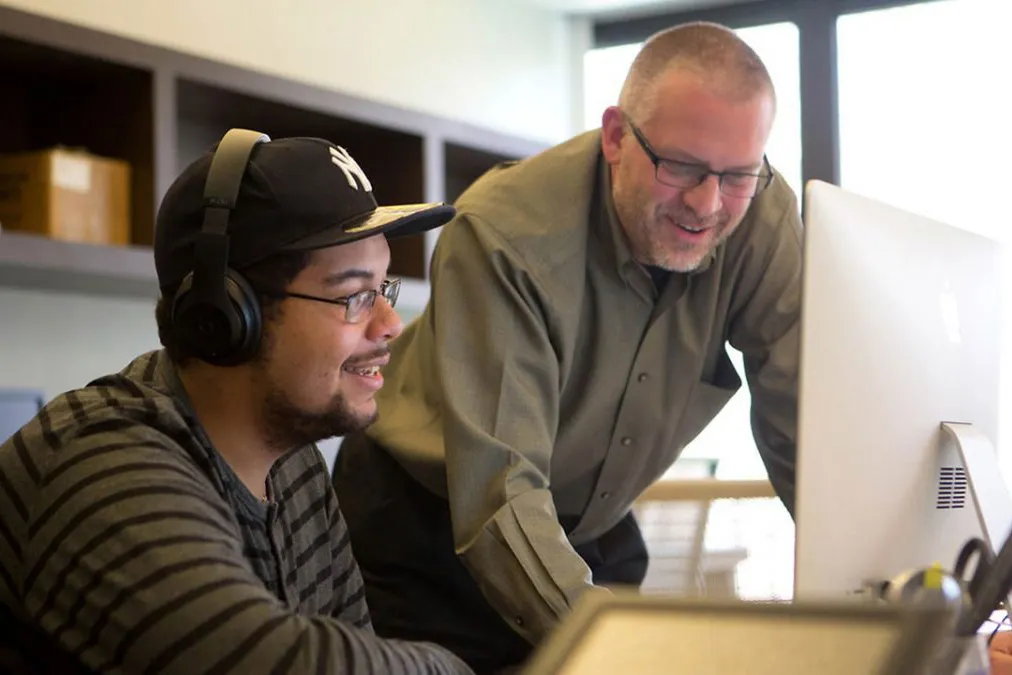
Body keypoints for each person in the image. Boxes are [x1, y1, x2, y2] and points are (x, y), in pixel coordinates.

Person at [332, 20, 802, 674]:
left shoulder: (760, 218)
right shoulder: (504, 236)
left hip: (582, 518)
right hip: (425, 523)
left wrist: (887, 592)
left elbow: (801, 421)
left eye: (738, 175)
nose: (707, 203)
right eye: (681, 167)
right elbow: (499, 494)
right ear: (616, 136)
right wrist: (617, 654)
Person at [0, 129, 474, 674]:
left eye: (384, 290)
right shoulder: (99, 460)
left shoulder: (294, 466)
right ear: (227, 314)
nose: (392, 325)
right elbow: (261, 664)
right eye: (354, 295)